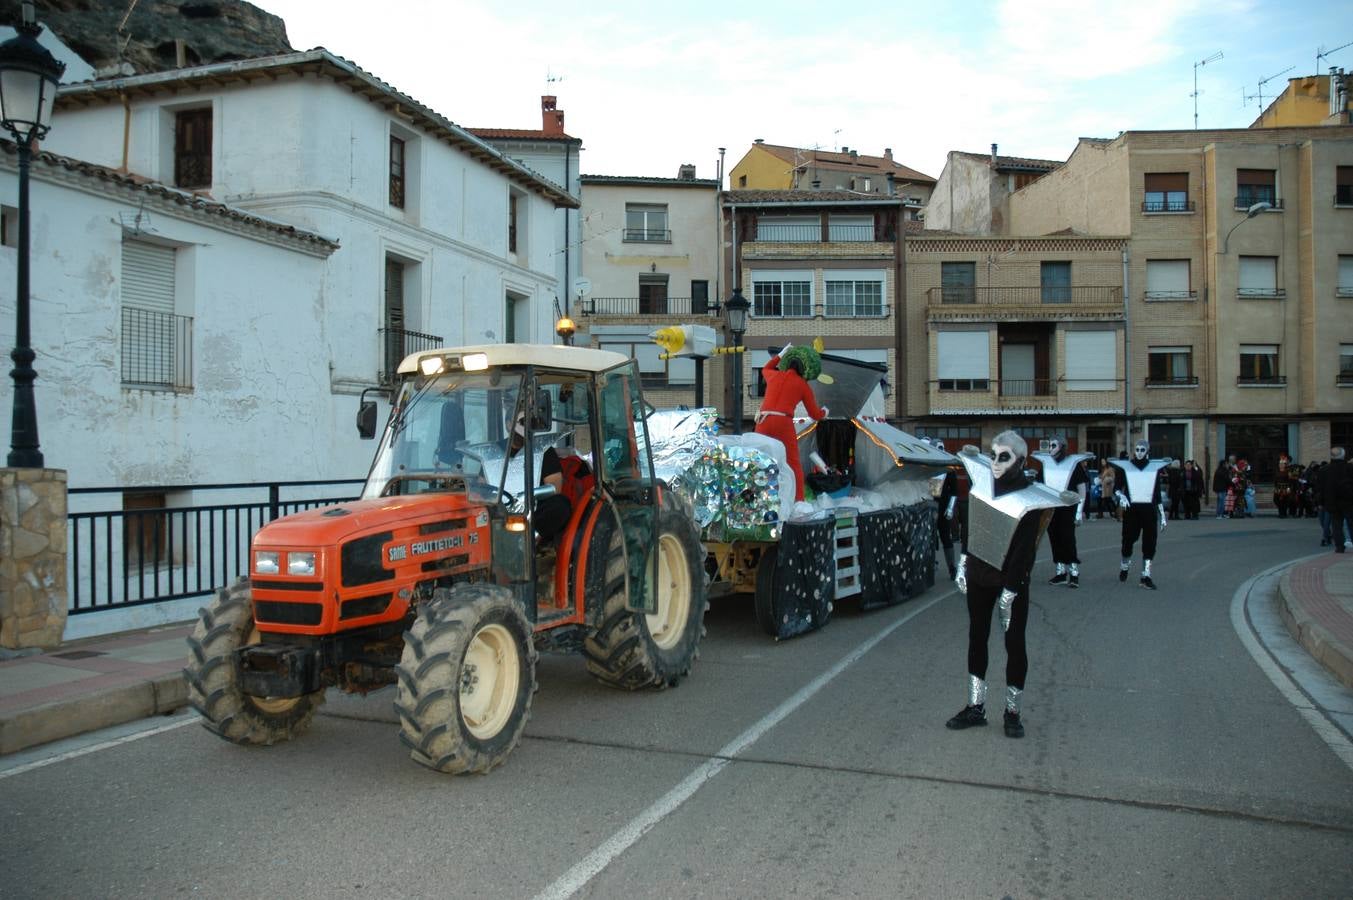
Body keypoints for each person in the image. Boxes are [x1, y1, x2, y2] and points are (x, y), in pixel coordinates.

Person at [946, 432, 1076, 739]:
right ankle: (976, 707)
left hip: (1011, 583)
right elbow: (972, 524)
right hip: (979, 575)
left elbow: (1024, 551)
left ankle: (1012, 712)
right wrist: (964, 564)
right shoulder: (982, 480)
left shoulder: (1030, 498)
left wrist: (1011, 590)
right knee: (977, 638)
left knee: (1014, 644)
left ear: (1020, 460)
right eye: (993, 454)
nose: (995, 461)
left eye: (1004, 456)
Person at [755, 343, 827, 502]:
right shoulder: (803, 385)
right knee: (793, 463)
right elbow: (814, 414)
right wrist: (825, 412)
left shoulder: (773, 375)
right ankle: (798, 501)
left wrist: (780, 354)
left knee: (760, 460)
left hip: (763, 421)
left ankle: (759, 498)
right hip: (783, 422)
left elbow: (765, 368)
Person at [508, 412, 593, 545]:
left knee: (560, 505)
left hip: (534, 510)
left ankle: (529, 539)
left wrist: (527, 497)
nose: (525, 428)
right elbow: (480, 488)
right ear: (508, 424)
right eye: (522, 423)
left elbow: (554, 487)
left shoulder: (544, 451)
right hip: (502, 511)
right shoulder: (495, 452)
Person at [1033, 435, 1091, 588]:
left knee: (1068, 538)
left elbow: (1082, 489)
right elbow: (1039, 485)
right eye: (1050, 445)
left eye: (1054, 445)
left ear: (1062, 447)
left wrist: (1079, 511)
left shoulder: (1073, 464)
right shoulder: (1046, 464)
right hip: (1051, 508)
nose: (1050, 448)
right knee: (1054, 538)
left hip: (1068, 507)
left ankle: (1074, 572)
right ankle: (1060, 572)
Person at [1112, 440, 1170, 589]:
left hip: (1149, 510)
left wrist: (1162, 516)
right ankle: (1125, 566)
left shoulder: (1153, 468)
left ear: (1147, 451)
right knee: (1128, 540)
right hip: (1132, 510)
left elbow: (1156, 494)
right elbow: (1117, 488)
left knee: (1150, 543)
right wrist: (1121, 496)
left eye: (1142, 450)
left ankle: (1146, 576)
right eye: (1136, 449)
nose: (1138, 452)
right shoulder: (1127, 467)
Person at [926, 438, 961, 580]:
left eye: (942, 448)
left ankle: (952, 568)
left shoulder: (949, 468)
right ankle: (931, 564)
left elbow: (954, 490)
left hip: (943, 508)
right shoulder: (927, 467)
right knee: (930, 538)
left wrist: (951, 508)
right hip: (930, 507)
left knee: (946, 537)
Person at [1319, 447, 1353, 554]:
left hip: (1332, 502)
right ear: (1343, 455)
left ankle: (1339, 547)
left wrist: (1320, 502)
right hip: (1349, 500)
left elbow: (1320, 488)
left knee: (1336, 525)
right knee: (1351, 523)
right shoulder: (1349, 468)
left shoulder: (1324, 470)